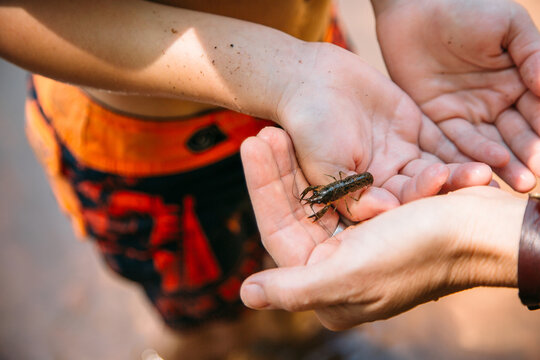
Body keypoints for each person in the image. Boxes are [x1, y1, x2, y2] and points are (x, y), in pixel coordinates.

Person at [0, 0, 491, 358]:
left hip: (326, 81)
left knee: (307, 271)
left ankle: (295, 341)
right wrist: (286, 74)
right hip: (150, 150)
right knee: (201, 321)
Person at [239, 125, 528, 331]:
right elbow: (326, 190)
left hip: (357, 181)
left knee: (327, 193)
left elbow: (340, 197)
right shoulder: (329, 188)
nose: (319, 198)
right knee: (325, 190)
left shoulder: (351, 187)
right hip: (345, 183)